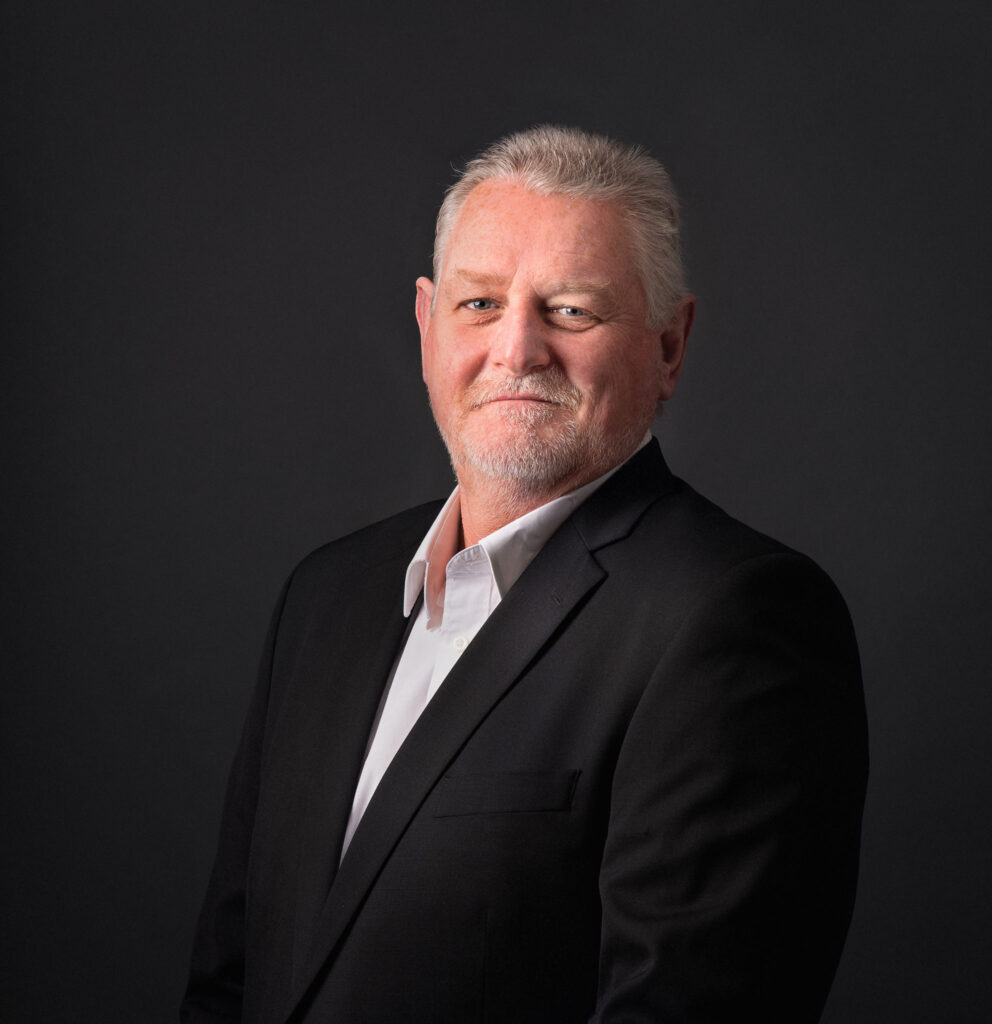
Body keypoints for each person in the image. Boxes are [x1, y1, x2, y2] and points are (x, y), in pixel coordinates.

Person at [180, 125, 868, 1024]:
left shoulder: (736, 617)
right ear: (427, 324)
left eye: (571, 310)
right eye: (479, 304)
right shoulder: (326, 596)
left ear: (668, 346)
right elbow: (229, 985)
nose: (516, 349)